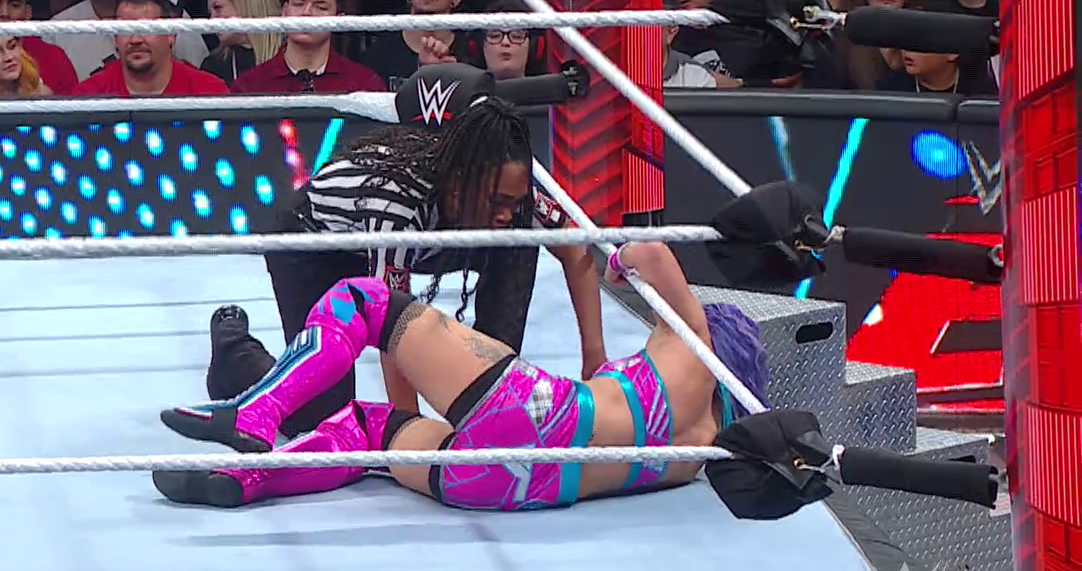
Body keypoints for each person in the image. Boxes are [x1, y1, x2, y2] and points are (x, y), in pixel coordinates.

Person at [156, 241, 769, 512]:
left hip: (543, 415)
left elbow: (651, 254)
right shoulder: (701, 453)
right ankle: (248, 479)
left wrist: (619, 266)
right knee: (367, 428)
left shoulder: (693, 348)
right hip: (510, 490)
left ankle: (256, 413)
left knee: (362, 301)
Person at [202, 64, 606, 440]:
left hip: (410, 233)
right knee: (321, 417)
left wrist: (595, 361)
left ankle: (492, 389)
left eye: (512, 200)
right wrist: (407, 431)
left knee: (518, 238)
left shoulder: (507, 189)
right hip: (315, 245)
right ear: (461, 183)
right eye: (497, 200)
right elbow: (392, 323)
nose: (505, 212)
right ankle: (234, 353)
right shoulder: (398, 203)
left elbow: (576, 249)